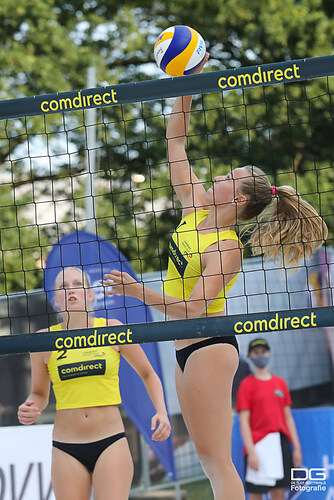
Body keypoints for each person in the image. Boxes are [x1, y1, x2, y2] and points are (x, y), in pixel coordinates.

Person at [100, 54, 327, 500]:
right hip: (182, 344)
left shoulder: (226, 247)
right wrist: (187, 83)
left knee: (216, 460)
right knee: (208, 460)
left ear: (240, 199)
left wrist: (134, 289)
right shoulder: (196, 208)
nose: (220, 175)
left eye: (229, 177)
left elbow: (193, 308)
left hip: (207, 346)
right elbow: (176, 144)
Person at [18, 266, 171, 500]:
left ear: (90, 295)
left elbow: (148, 374)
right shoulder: (43, 340)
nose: (71, 290)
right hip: (66, 446)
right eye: (63, 286)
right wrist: (30, 406)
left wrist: (161, 411)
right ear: (56, 300)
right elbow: (39, 393)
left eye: (78, 284)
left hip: (110, 442)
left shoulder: (112, 329)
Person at [237, 338, 302, 500]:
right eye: (256, 353)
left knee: (279, 492)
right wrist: (251, 451)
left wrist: (297, 447)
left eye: (263, 352)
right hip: (258, 443)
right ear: (250, 357)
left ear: (269, 353)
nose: (261, 355)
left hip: (280, 443)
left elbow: (288, 418)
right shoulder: (246, 385)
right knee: (256, 493)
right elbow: (243, 421)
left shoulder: (280, 383)